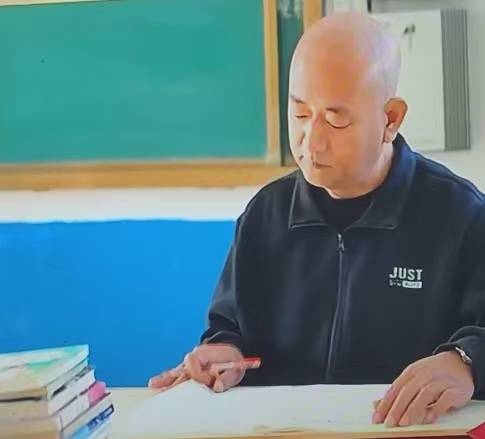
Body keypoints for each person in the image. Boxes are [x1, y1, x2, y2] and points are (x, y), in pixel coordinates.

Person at [149, 11, 485, 429]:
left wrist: (466, 360)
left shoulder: (460, 215)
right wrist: (224, 353)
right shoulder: (265, 215)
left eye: (336, 118)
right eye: (301, 115)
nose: (312, 142)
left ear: (390, 119)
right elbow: (228, 328)